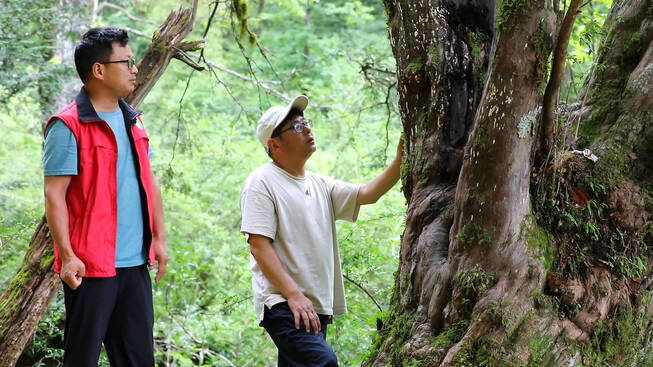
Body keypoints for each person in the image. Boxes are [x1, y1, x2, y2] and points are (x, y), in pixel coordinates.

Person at [240, 95, 402, 366]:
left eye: (306, 123)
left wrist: (401, 159)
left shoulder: (319, 184)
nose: (308, 130)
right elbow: (258, 245)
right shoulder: (261, 182)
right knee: (324, 363)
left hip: (313, 305)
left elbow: (367, 194)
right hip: (283, 303)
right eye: (297, 127)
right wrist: (293, 295)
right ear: (274, 144)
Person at [43, 27, 167, 366]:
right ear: (98, 70)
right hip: (90, 267)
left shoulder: (134, 120)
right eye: (126, 62)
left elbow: (148, 181)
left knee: (138, 359)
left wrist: (159, 238)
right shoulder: (67, 125)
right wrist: (67, 256)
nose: (135, 69)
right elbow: (55, 196)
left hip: (135, 264)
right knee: (82, 358)